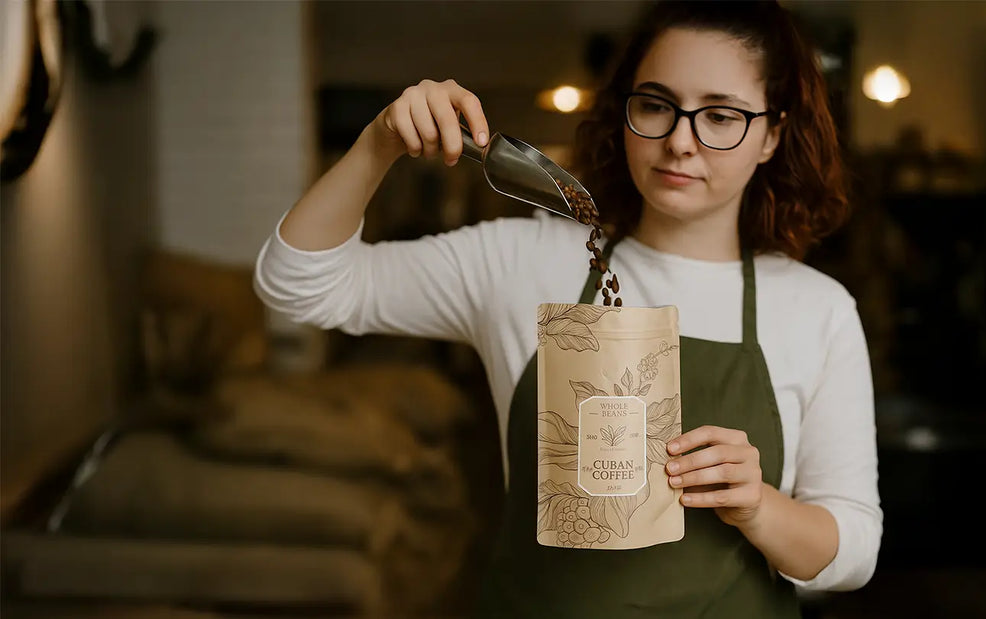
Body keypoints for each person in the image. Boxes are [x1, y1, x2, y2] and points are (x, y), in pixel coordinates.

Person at [254, 1, 881, 616]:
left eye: (720, 116)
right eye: (656, 106)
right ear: (624, 112)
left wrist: (758, 506)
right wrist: (378, 143)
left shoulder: (814, 309)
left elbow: (853, 549)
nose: (679, 142)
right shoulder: (525, 261)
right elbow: (299, 284)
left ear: (772, 134)